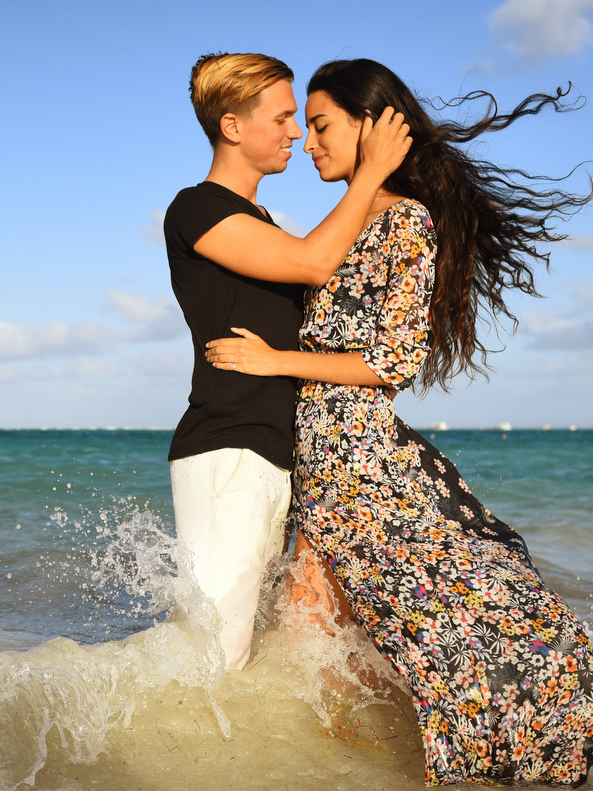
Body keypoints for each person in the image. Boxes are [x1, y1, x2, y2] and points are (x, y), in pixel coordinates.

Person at [203, 58, 593, 786]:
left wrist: (276, 364)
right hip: (323, 459)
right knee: (324, 638)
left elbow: (391, 361)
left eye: (322, 125)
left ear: (371, 128)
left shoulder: (407, 222)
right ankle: (362, 789)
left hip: (356, 461)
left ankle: (383, 782)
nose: (311, 142)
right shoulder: (353, 222)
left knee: (333, 632)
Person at [165, 53, 410, 672]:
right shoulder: (196, 209)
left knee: (249, 653)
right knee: (216, 657)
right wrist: (371, 170)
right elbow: (313, 263)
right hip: (230, 447)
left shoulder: (263, 221)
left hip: (274, 457)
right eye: (282, 118)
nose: (297, 132)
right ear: (233, 127)